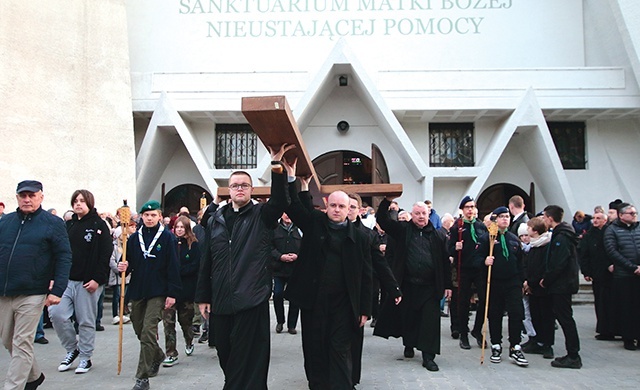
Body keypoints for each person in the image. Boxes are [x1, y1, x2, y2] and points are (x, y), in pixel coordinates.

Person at [195, 144, 293, 390]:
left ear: (251, 189)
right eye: (235, 185)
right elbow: (207, 260)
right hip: (221, 300)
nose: (240, 189)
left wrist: (276, 165)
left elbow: (280, 201)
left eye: (244, 185)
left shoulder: (261, 215)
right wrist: (203, 296)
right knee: (226, 355)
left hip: (251, 299)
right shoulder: (216, 220)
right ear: (229, 190)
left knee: (247, 360)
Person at [282, 163, 372, 389]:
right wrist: (292, 177)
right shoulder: (315, 224)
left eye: (342, 206)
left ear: (349, 209)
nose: (337, 209)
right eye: (333, 205)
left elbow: (366, 275)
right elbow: (295, 208)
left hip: (344, 304)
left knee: (339, 348)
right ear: (326, 205)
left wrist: (365, 309)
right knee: (315, 347)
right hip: (314, 302)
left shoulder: (360, 238)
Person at [0, 180, 72, 389]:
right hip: (5, 292)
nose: (27, 199)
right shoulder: (5, 222)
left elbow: (64, 256)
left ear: (41, 196)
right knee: (8, 341)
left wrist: (58, 289)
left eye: (32, 195)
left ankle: (12, 387)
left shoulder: (53, 223)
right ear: (17, 198)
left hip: (33, 292)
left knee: (22, 342)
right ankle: (34, 377)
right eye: (23, 195)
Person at [374, 198, 452, 372]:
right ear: (412, 215)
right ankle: (409, 344)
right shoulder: (403, 230)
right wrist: (387, 201)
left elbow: (445, 262)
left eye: (424, 213)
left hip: (430, 287)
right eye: (417, 213)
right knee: (409, 318)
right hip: (407, 285)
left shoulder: (438, 235)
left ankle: (428, 356)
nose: (421, 216)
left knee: (429, 321)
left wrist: (448, 285)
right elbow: (383, 221)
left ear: (429, 214)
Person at [117, 200, 182, 390]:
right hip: (138, 290)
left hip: (159, 291)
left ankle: (142, 377)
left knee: (148, 332)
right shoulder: (135, 238)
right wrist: (123, 266)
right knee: (139, 329)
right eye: (146, 215)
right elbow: (128, 263)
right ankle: (158, 354)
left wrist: (172, 293)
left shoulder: (167, 238)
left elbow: (173, 267)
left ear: (160, 217)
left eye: (153, 215)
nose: (150, 218)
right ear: (141, 217)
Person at [48, 190, 112, 374]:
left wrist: (97, 279)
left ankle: (85, 357)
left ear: (89, 203)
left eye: (82, 201)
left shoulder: (99, 225)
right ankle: (72, 349)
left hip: (88, 281)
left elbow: (105, 254)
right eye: (75, 201)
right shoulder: (68, 225)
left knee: (85, 321)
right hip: (66, 280)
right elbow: (57, 252)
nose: (78, 204)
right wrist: (54, 277)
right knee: (57, 313)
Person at [474, 206, 528, 367]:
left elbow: (520, 262)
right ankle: (496, 345)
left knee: (516, 312)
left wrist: (522, 280)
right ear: (495, 219)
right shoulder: (487, 238)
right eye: (502, 216)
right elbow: (475, 259)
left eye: (507, 216)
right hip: (494, 282)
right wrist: (484, 261)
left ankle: (515, 345)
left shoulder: (513, 238)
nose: (505, 219)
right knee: (495, 313)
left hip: (512, 282)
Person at [541, 205, 582, 368]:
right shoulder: (561, 234)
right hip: (561, 283)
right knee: (564, 317)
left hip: (562, 285)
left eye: (544, 217)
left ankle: (573, 355)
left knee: (565, 319)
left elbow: (559, 262)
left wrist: (547, 278)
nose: (543, 220)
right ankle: (571, 353)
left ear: (550, 218)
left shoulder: (562, 237)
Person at [448, 196, 487, 349]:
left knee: (484, 300)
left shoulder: (480, 226)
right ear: (462, 209)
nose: (470, 210)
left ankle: (477, 329)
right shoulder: (457, 226)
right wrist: (455, 248)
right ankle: (463, 333)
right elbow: (448, 248)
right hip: (463, 268)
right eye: (467, 207)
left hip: (479, 269)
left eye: (472, 207)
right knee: (463, 302)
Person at [162, 216, 200, 366]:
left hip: (186, 290)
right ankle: (171, 352)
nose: (179, 230)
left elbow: (196, 264)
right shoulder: (169, 243)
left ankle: (189, 340)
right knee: (168, 322)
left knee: (185, 322)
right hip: (170, 290)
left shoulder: (193, 244)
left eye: (182, 227)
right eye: (177, 227)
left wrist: (179, 271)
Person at [604, 202, 640, 351]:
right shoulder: (612, 230)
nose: (634, 216)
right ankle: (628, 337)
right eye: (631, 213)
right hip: (624, 275)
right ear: (621, 215)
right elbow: (612, 251)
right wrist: (632, 268)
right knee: (626, 308)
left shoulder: (638, 228)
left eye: (635, 213)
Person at [579, 211, 616, 340]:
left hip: (611, 273)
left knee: (611, 302)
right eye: (594, 218)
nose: (595, 220)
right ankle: (604, 329)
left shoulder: (610, 233)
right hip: (597, 273)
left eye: (598, 218)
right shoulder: (589, 235)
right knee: (600, 302)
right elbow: (584, 254)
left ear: (605, 221)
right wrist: (586, 271)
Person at [522, 217, 555, 359]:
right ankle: (537, 340)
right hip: (532, 287)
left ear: (535, 230)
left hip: (543, 287)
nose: (527, 230)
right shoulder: (533, 245)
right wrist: (527, 281)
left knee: (546, 316)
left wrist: (537, 280)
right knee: (535, 314)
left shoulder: (546, 244)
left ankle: (547, 344)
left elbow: (544, 266)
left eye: (529, 228)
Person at [270, 212, 302, 335]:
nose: (288, 215)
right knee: (277, 294)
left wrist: (298, 256)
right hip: (279, 269)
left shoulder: (299, 229)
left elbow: (306, 246)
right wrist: (280, 256)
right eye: (285, 213)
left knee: (295, 298)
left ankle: (292, 325)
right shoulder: (274, 228)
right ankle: (280, 321)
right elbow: (269, 247)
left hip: (295, 269)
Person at [109, 220, 135, 324]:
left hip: (126, 276)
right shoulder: (114, 247)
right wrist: (118, 269)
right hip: (116, 277)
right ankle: (115, 314)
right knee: (116, 296)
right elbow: (112, 260)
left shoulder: (127, 246)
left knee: (123, 296)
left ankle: (122, 313)